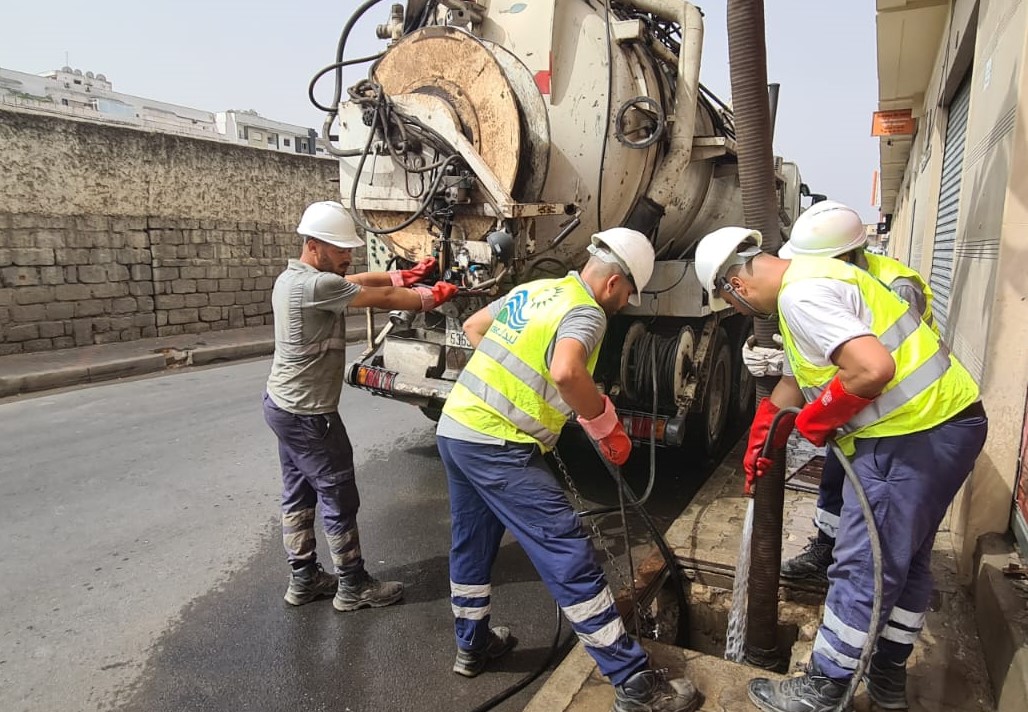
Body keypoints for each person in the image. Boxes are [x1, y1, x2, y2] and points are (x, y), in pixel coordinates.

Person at [694, 227, 987, 712]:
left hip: (908, 436)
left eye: (733, 305)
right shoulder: (812, 278)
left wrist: (819, 417)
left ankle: (825, 687)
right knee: (906, 560)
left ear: (736, 287)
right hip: (944, 424)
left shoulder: (801, 298)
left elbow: (871, 370)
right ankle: (887, 674)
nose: (741, 313)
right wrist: (764, 440)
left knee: (862, 564)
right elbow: (796, 379)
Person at [436, 228, 701, 712]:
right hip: (499, 444)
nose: (625, 304)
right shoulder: (587, 312)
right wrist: (604, 426)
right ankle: (634, 682)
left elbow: (476, 327)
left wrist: (511, 388)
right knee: (567, 551)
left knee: (471, 542)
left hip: (457, 429)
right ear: (614, 282)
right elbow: (566, 372)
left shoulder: (536, 289)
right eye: (628, 294)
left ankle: (472, 645)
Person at [263, 200, 458, 611]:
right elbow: (381, 296)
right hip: (311, 415)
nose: (347, 255)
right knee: (338, 494)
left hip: (283, 407)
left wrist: (405, 273)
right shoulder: (318, 286)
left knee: (298, 491)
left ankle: (304, 578)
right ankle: (352, 585)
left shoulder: (293, 278)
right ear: (314, 246)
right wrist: (430, 295)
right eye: (339, 249)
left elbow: (355, 281)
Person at [744, 201, 939, 585]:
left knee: (881, 537)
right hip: (861, 414)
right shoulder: (816, 286)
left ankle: (860, 588)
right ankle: (826, 549)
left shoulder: (893, 284)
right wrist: (766, 433)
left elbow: (878, 366)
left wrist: (821, 416)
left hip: (908, 422)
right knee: (835, 479)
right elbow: (804, 371)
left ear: (845, 255)